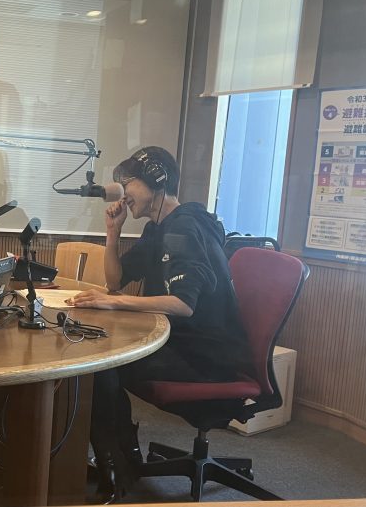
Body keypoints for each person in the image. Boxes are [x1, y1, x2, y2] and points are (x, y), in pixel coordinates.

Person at [66, 146, 251, 503]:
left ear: (157, 181)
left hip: (206, 357)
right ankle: (122, 458)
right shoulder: (157, 229)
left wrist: (114, 302)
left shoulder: (186, 228)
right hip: (179, 343)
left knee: (100, 367)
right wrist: (112, 233)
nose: (122, 193)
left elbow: (183, 304)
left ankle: (117, 466)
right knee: (98, 359)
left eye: (128, 184)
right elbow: (115, 280)